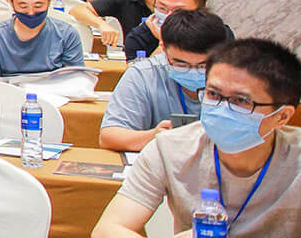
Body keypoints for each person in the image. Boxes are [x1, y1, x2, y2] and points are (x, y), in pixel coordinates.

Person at [92, 38, 301, 238]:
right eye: (213, 94)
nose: (222, 108)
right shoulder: (170, 147)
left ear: (282, 116)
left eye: (241, 101)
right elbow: (106, 232)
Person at [97, 10, 231, 152]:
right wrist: (154, 136)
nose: (193, 72)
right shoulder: (144, 74)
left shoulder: (237, 79)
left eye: (203, 66)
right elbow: (109, 137)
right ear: (163, 49)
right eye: (181, 65)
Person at [123, 0, 210, 61]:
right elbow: (140, 69)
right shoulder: (139, 37)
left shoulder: (213, 36)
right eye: (162, 8)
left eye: (179, 11)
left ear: (200, 12)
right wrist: (164, 43)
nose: (169, 16)